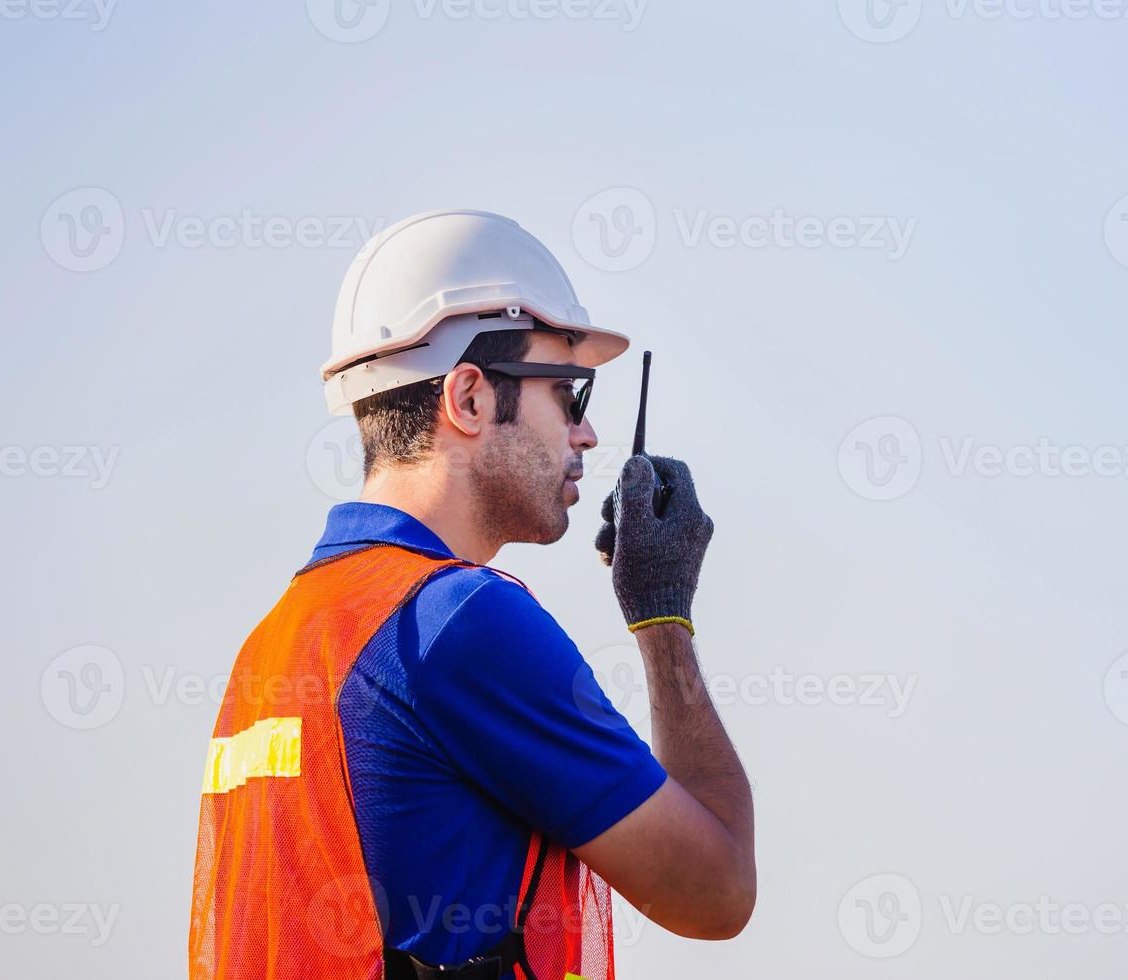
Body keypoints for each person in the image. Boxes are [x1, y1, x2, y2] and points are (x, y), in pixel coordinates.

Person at [188, 210, 755, 980]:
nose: (585, 435)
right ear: (470, 399)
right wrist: (663, 616)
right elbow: (716, 890)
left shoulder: (282, 636)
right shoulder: (458, 624)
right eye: (569, 393)